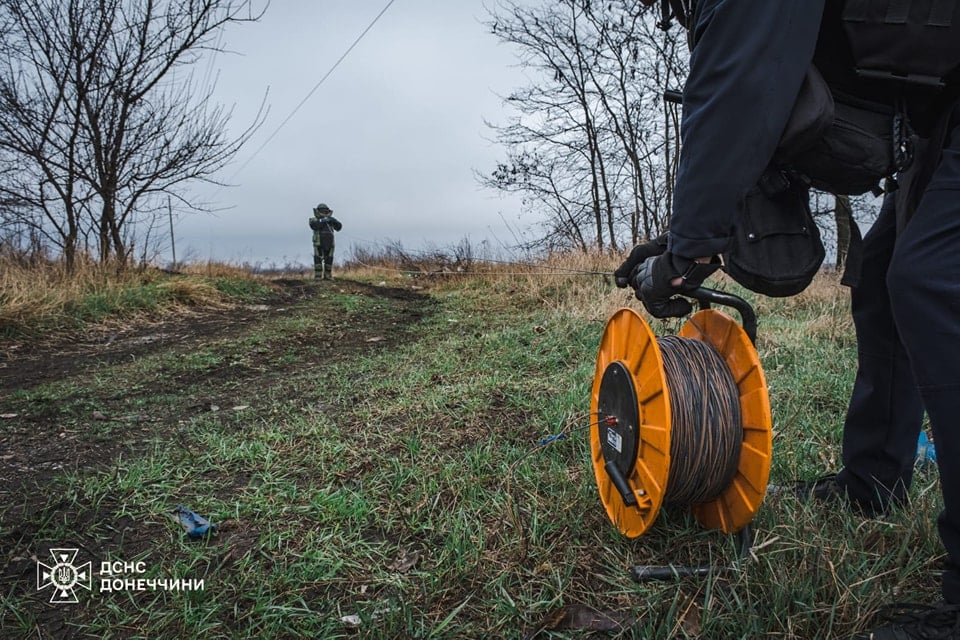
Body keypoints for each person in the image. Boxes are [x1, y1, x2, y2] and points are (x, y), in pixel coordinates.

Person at [615, 1, 960, 637]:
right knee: (887, 276)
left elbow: (736, 93)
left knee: (934, 280)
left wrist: (686, 251)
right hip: (939, 118)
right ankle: (873, 482)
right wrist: (678, 243)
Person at [309, 203, 342, 280]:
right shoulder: (313, 219)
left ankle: (328, 276)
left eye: (325, 211)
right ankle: (318, 276)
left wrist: (334, 221)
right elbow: (314, 226)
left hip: (330, 242)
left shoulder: (331, 220)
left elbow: (339, 227)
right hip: (318, 242)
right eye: (322, 211)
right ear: (318, 211)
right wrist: (323, 220)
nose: (324, 212)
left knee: (329, 260)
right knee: (318, 259)